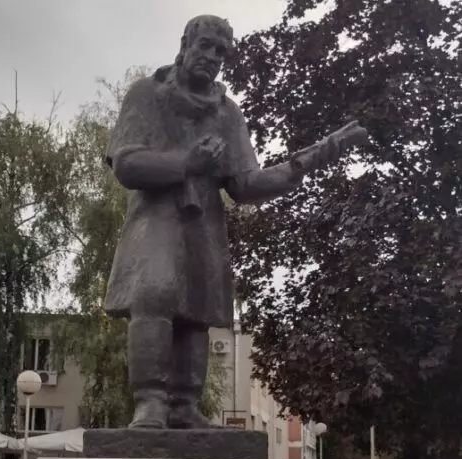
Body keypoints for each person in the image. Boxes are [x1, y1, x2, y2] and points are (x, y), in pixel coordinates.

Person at [105, 14, 368, 429]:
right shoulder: (147, 94)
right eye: (205, 46)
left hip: (203, 225)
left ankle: (185, 405)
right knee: (155, 293)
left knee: (197, 306)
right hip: (155, 219)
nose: (212, 57)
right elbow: (127, 164)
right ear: (185, 44)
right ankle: (150, 403)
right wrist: (187, 163)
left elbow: (246, 184)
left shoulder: (227, 114)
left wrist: (318, 154)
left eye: (221, 52)